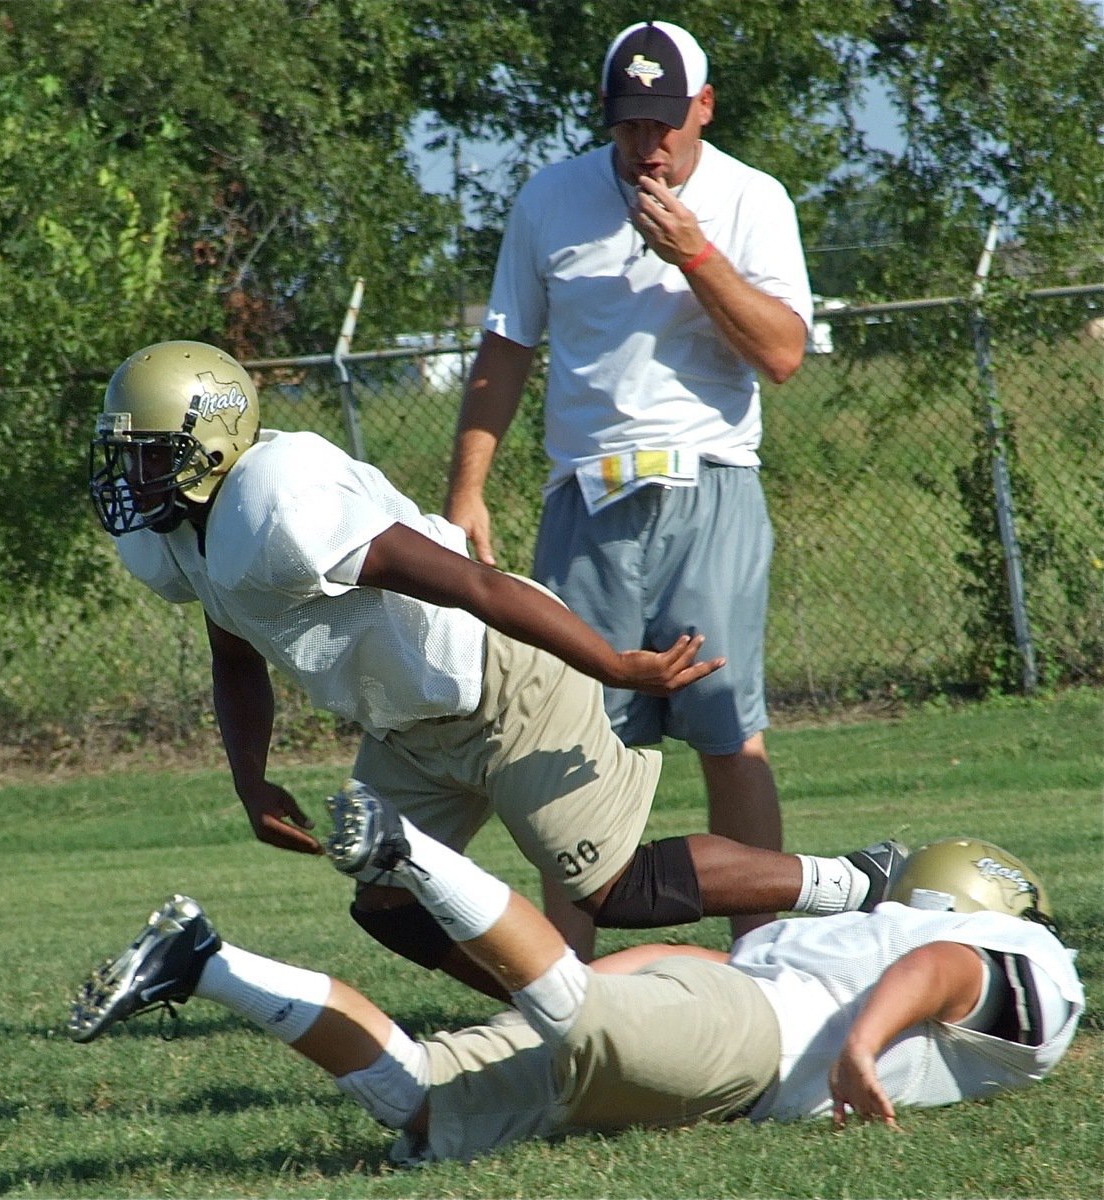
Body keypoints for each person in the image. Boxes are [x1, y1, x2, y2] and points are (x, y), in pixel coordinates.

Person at [88, 340, 903, 998]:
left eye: (149, 456)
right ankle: (560, 1013)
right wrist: (250, 781)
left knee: (615, 889)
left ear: (214, 445)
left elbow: (478, 586)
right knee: (388, 903)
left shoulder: (277, 508)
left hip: (500, 683)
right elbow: (233, 652)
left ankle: (862, 881)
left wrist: (613, 665)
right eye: (127, 456)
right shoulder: (184, 534)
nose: (130, 476)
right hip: (410, 726)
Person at [69, 788, 1084, 1168]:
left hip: (723, 1011)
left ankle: (203, 961)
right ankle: (409, 849)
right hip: (758, 1040)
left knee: (418, 1100)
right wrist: (861, 1050)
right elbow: (946, 968)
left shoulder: (855, 936)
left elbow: (697, 962)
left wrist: (577, 987)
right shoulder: (1029, 959)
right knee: (585, 1012)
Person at [445, 19, 814, 947]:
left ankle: (764, 963)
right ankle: (564, 986)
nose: (647, 144)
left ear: (705, 107)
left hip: (710, 488)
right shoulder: (551, 197)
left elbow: (782, 353)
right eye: (628, 123)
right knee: (571, 744)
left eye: (664, 122)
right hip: (584, 501)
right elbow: (506, 349)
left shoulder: (753, 198)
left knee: (728, 735)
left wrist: (695, 254)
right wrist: (466, 491)